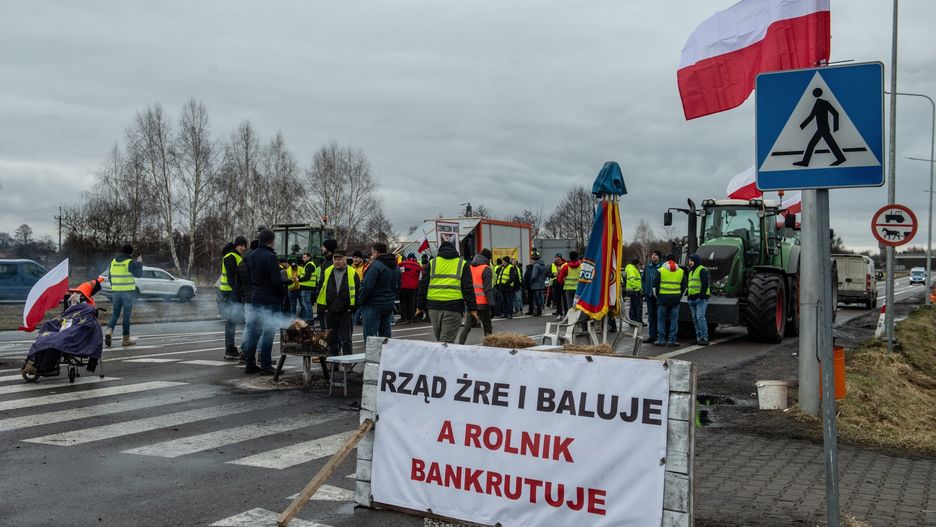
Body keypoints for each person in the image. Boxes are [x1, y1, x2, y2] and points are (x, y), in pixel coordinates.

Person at [241, 229, 286, 374]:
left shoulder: (251, 255)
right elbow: (276, 281)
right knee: (268, 331)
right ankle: (266, 364)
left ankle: (250, 363)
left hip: (256, 297)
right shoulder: (271, 257)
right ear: (272, 241)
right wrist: (283, 296)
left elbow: (248, 276)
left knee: (254, 331)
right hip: (270, 299)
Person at [417, 241, 477, 343]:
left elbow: (423, 286)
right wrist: (473, 309)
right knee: (446, 342)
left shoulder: (432, 263)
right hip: (453, 307)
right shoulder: (462, 264)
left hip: (434, 307)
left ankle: (439, 358)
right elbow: (468, 289)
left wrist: (420, 307)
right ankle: (442, 358)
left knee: (440, 341)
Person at [319, 249, 360, 355]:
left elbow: (357, 290)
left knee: (346, 339)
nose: (337, 261)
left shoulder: (352, 272)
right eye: (335, 259)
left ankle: (347, 363)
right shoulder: (327, 271)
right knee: (331, 338)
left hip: (345, 310)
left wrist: (352, 308)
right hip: (331, 309)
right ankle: (333, 363)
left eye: (339, 259)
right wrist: (323, 306)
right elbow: (320, 288)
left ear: (345, 259)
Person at [105, 244, 143, 347]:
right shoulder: (129, 262)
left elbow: (110, 277)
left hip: (116, 292)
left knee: (115, 314)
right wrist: (139, 263)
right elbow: (139, 274)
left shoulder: (113, 262)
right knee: (126, 316)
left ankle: (109, 331)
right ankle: (126, 339)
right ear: (131, 253)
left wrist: (115, 287)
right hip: (128, 293)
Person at [358, 242, 399, 339]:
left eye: (372, 252)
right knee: (385, 339)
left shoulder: (375, 266)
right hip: (388, 304)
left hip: (373, 305)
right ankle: (385, 354)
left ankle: (374, 355)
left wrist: (361, 301)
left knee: (371, 339)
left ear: (376, 252)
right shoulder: (395, 267)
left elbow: (367, 287)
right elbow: (398, 286)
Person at [219, 236, 248, 360]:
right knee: (233, 321)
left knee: (233, 321)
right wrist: (238, 294)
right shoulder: (231, 256)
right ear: (236, 245)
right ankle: (230, 349)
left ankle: (231, 349)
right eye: (241, 245)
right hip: (231, 294)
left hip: (231, 293)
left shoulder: (235, 255)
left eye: (245, 245)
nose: (244, 248)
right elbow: (232, 278)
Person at [458, 248, 494, 344]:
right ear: (488, 259)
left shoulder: (470, 267)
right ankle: (488, 348)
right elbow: (487, 289)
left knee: (467, 326)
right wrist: (492, 305)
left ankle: (460, 345)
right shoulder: (486, 269)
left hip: (471, 303)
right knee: (487, 327)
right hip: (483, 304)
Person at [653, 253, 687, 347]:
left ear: (666, 260)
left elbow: (655, 285)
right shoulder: (680, 271)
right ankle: (672, 340)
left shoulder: (660, 270)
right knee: (674, 320)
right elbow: (684, 287)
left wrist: (658, 296)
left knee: (661, 320)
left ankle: (661, 340)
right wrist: (679, 297)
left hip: (663, 299)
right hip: (675, 299)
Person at [235, 239, 259, 364]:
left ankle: (244, 352)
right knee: (261, 326)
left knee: (249, 326)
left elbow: (237, 283)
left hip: (247, 298)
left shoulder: (242, 262)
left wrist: (241, 298)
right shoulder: (255, 261)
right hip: (258, 298)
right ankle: (260, 355)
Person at [686, 254, 711, 346]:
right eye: (689, 261)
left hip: (700, 299)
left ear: (696, 261)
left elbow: (705, 284)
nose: (690, 262)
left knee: (700, 318)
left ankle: (704, 338)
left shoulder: (702, 270)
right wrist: (689, 297)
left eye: (692, 261)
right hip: (692, 299)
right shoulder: (691, 272)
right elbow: (690, 285)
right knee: (695, 319)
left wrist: (701, 296)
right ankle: (699, 338)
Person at [314, 239, 338, 329]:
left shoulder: (335, 261)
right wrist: (317, 292)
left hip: (331, 299)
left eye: (323, 246)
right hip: (323, 298)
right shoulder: (325, 261)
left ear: (329, 248)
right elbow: (322, 280)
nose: (321, 248)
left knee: (331, 326)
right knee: (324, 327)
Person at [642, 250, 662, 344]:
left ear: (659, 257)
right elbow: (643, 279)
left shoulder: (662, 267)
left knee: (659, 316)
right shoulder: (647, 266)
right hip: (649, 295)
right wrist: (644, 290)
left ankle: (659, 336)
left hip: (658, 295)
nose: (653, 256)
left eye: (656, 255)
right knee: (651, 316)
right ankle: (652, 335)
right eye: (653, 254)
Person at [557, 251, 582, 319]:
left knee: (570, 306)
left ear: (570, 257)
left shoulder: (565, 267)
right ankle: (579, 320)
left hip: (568, 289)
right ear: (577, 257)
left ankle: (571, 321)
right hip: (579, 290)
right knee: (579, 305)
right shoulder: (582, 266)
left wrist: (564, 283)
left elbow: (559, 280)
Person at [398, 253, 422, 324]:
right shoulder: (418, 266)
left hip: (403, 287)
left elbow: (398, 274)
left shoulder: (402, 265)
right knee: (412, 303)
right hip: (414, 288)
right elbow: (420, 278)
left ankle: (404, 318)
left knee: (403, 303)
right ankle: (411, 317)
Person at [298, 252, 317, 322]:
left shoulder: (309, 265)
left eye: (304, 257)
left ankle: (309, 319)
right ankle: (309, 319)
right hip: (307, 287)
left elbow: (307, 277)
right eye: (303, 257)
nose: (303, 258)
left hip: (307, 287)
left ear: (309, 257)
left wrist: (299, 279)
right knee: (306, 304)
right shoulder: (309, 265)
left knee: (306, 304)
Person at [623, 257, 643, 324]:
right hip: (634, 290)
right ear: (637, 264)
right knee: (638, 306)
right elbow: (633, 279)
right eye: (639, 265)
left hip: (631, 290)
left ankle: (633, 320)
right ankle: (638, 321)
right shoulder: (632, 269)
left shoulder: (630, 268)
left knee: (633, 305)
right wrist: (637, 289)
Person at [350, 251, 366, 326]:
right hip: (352, 290)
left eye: (357, 258)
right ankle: (355, 320)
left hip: (362, 289)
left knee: (360, 305)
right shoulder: (351, 266)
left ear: (361, 258)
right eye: (354, 257)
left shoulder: (365, 266)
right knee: (354, 305)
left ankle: (356, 320)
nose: (355, 259)